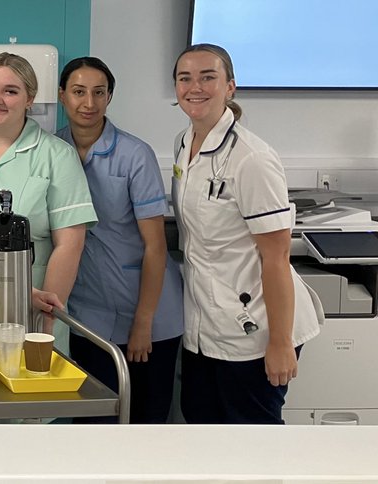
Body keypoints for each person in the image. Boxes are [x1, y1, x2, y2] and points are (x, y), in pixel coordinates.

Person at [170, 44, 322, 424]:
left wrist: (280, 343)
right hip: (205, 327)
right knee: (202, 424)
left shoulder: (251, 158)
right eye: (185, 78)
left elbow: (276, 258)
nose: (195, 87)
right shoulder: (184, 144)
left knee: (254, 440)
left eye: (208, 77)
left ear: (230, 87)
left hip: (254, 331)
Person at [56, 57, 184, 423]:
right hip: (89, 315)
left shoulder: (134, 155)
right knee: (94, 421)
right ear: (62, 95)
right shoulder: (53, 150)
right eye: (79, 92)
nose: (89, 103)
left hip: (146, 314)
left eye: (99, 93)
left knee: (146, 422)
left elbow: (156, 245)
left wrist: (144, 321)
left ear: (110, 97)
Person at [0, 52, 97, 346]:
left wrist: (46, 319)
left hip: (32, 308)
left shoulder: (56, 156)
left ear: (30, 98)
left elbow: (70, 244)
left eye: (11, 91)